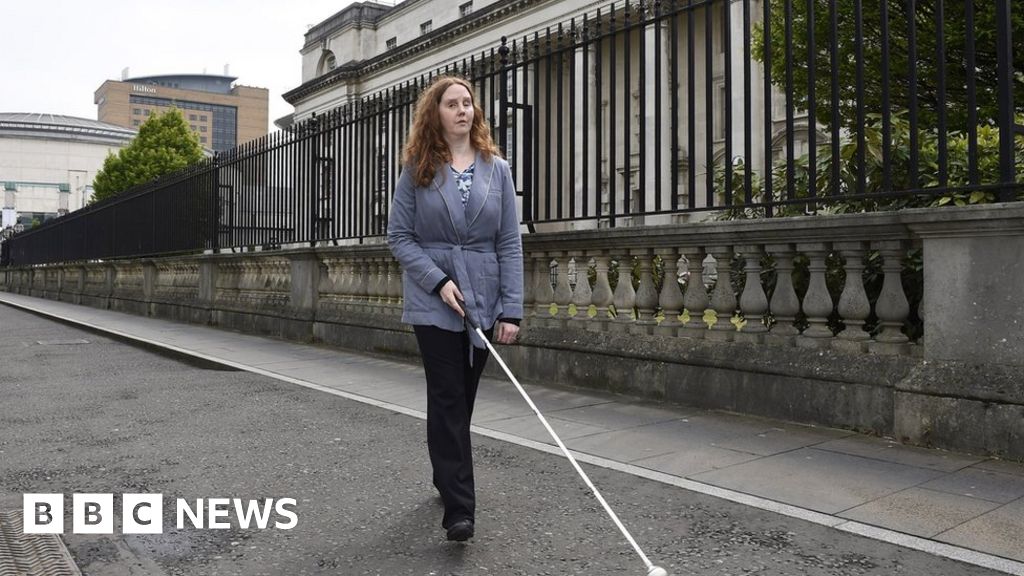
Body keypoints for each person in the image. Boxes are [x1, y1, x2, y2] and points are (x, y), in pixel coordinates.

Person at [387, 75, 523, 542]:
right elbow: (400, 237)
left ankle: (445, 474)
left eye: (468, 103)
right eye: (452, 103)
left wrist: (511, 310)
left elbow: (509, 242)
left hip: (482, 296)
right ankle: (460, 510)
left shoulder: (497, 169)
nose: (463, 109)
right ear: (436, 113)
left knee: (462, 400)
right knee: (446, 396)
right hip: (433, 300)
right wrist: (438, 280)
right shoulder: (417, 169)